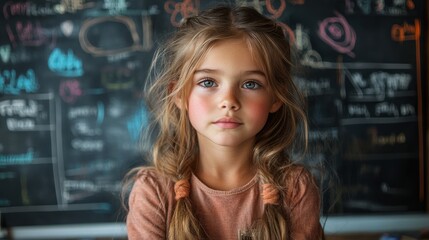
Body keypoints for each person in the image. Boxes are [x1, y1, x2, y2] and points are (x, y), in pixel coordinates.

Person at [124, 5, 324, 240]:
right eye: (208, 82)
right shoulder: (154, 193)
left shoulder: (294, 189)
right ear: (178, 94)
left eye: (250, 84)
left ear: (276, 97)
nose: (228, 101)